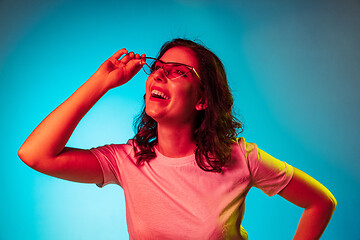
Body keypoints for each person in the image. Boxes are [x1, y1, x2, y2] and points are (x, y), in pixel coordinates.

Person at [18, 38, 336, 239]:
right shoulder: (126, 161)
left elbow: (320, 203)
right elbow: (35, 155)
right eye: (159, 68)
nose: (159, 74)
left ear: (202, 100)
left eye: (178, 72)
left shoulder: (241, 158)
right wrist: (101, 83)